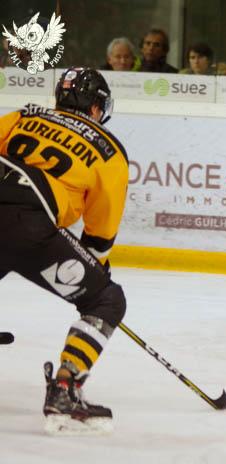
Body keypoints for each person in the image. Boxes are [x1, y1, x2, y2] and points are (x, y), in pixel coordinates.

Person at [0, 67, 129, 434]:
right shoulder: (108, 149)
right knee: (106, 300)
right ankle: (65, 388)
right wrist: (95, 271)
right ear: (96, 108)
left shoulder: (24, 116)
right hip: (27, 227)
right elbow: (99, 236)